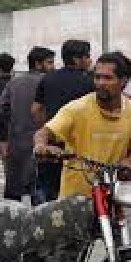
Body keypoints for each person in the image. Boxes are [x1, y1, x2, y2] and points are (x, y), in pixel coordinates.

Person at [33, 52, 131, 200]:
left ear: (123, 81)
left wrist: (127, 162)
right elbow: (43, 132)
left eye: (107, 78)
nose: (100, 83)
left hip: (113, 193)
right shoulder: (77, 109)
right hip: (75, 198)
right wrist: (41, 146)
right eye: (97, 77)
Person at [31, 39, 95, 202]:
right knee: (78, 193)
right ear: (76, 59)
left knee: (46, 188)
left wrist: (47, 130)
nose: (90, 60)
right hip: (80, 146)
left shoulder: (48, 79)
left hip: (52, 144)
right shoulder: (90, 82)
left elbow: (36, 109)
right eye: (87, 56)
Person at [0, 46, 54, 201]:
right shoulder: (50, 82)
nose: (53, 67)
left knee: (14, 194)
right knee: (41, 193)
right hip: (45, 145)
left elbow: (1, 111)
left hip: (17, 144)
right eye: (50, 62)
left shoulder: (14, 83)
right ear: (37, 63)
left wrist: (2, 142)